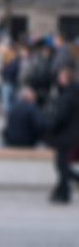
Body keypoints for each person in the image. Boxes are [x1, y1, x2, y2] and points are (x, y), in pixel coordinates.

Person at [46, 66, 79, 204]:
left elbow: (61, 117)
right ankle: (61, 191)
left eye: (61, 77)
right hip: (71, 134)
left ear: (66, 79)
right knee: (62, 164)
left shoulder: (68, 95)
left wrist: (51, 127)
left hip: (66, 134)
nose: (59, 80)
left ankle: (64, 192)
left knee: (61, 164)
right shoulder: (72, 93)